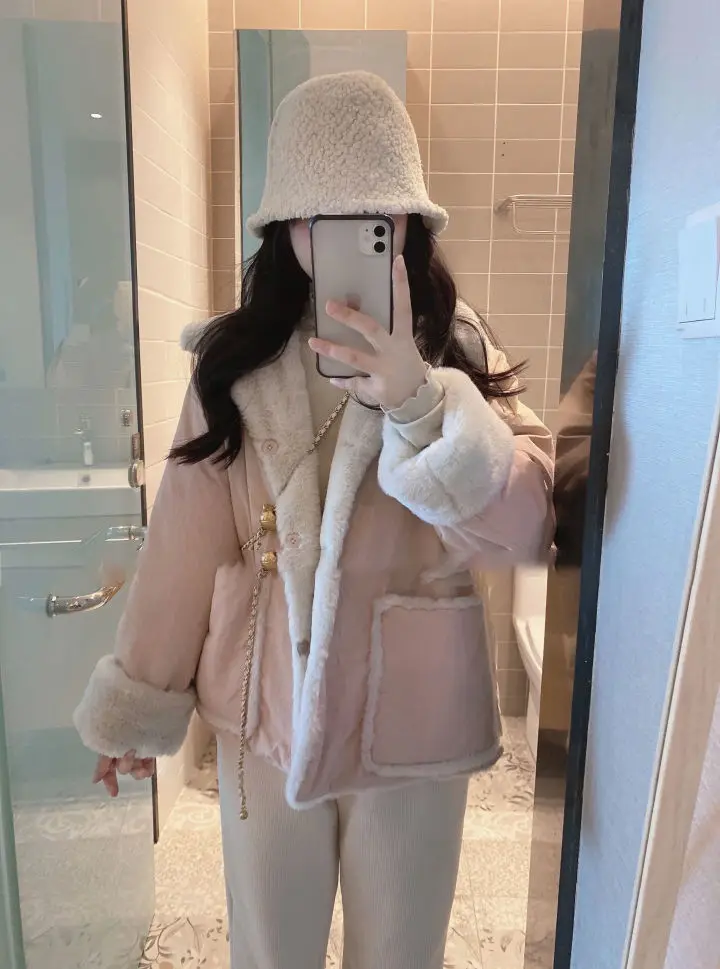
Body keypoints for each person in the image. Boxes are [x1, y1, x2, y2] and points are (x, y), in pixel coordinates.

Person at [74, 71, 554, 969]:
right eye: (318, 217)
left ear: (407, 222)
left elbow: (525, 528)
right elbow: (183, 544)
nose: (344, 234)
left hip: (414, 714)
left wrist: (417, 401)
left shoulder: (455, 348)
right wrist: (138, 710)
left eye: (374, 215)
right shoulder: (232, 361)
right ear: (285, 227)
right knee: (270, 953)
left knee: (401, 955)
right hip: (265, 710)